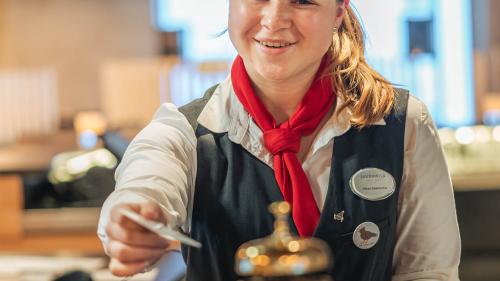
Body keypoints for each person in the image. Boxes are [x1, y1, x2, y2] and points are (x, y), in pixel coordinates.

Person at [98, 0, 461, 280]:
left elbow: (428, 272)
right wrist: (131, 217)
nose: (274, 19)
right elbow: (145, 181)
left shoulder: (404, 124)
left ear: (338, 12)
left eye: (302, 1)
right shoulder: (185, 132)